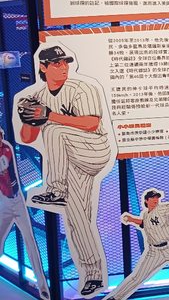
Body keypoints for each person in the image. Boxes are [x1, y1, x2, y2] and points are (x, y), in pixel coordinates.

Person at [17, 45, 115, 297]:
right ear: (43, 67)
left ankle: (56, 189)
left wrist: (50, 116)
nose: (63, 67)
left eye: (65, 62)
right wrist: (28, 118)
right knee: (77, 216)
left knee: (54, 129)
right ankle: (93, 274)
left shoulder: (82, 89)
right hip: (69, 160)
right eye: (57, 63)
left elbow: (92, 123)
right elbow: (27, 138)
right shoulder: (38, 96)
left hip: (94, 150)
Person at [0, 131, 50, 300]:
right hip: (4, 202)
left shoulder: (7, 148)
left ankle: (42, 287)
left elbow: (8, 168)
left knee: (30, 242)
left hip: (17, 199)